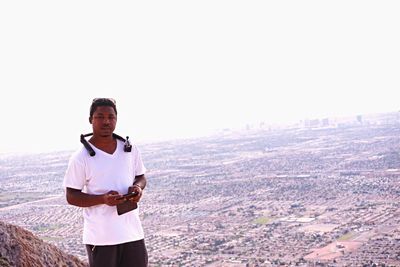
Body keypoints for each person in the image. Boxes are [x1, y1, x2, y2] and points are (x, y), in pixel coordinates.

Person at [63, 98, 148, 267]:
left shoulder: (129, 149)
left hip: (132, 233)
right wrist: (102, 199)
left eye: (111, 117)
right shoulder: (81, 157)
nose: (106, 121)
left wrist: (138, 187)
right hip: (101, 238)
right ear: (90, 120)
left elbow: (141, 176)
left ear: (116, 119)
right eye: (100, 117)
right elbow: (71, 196)